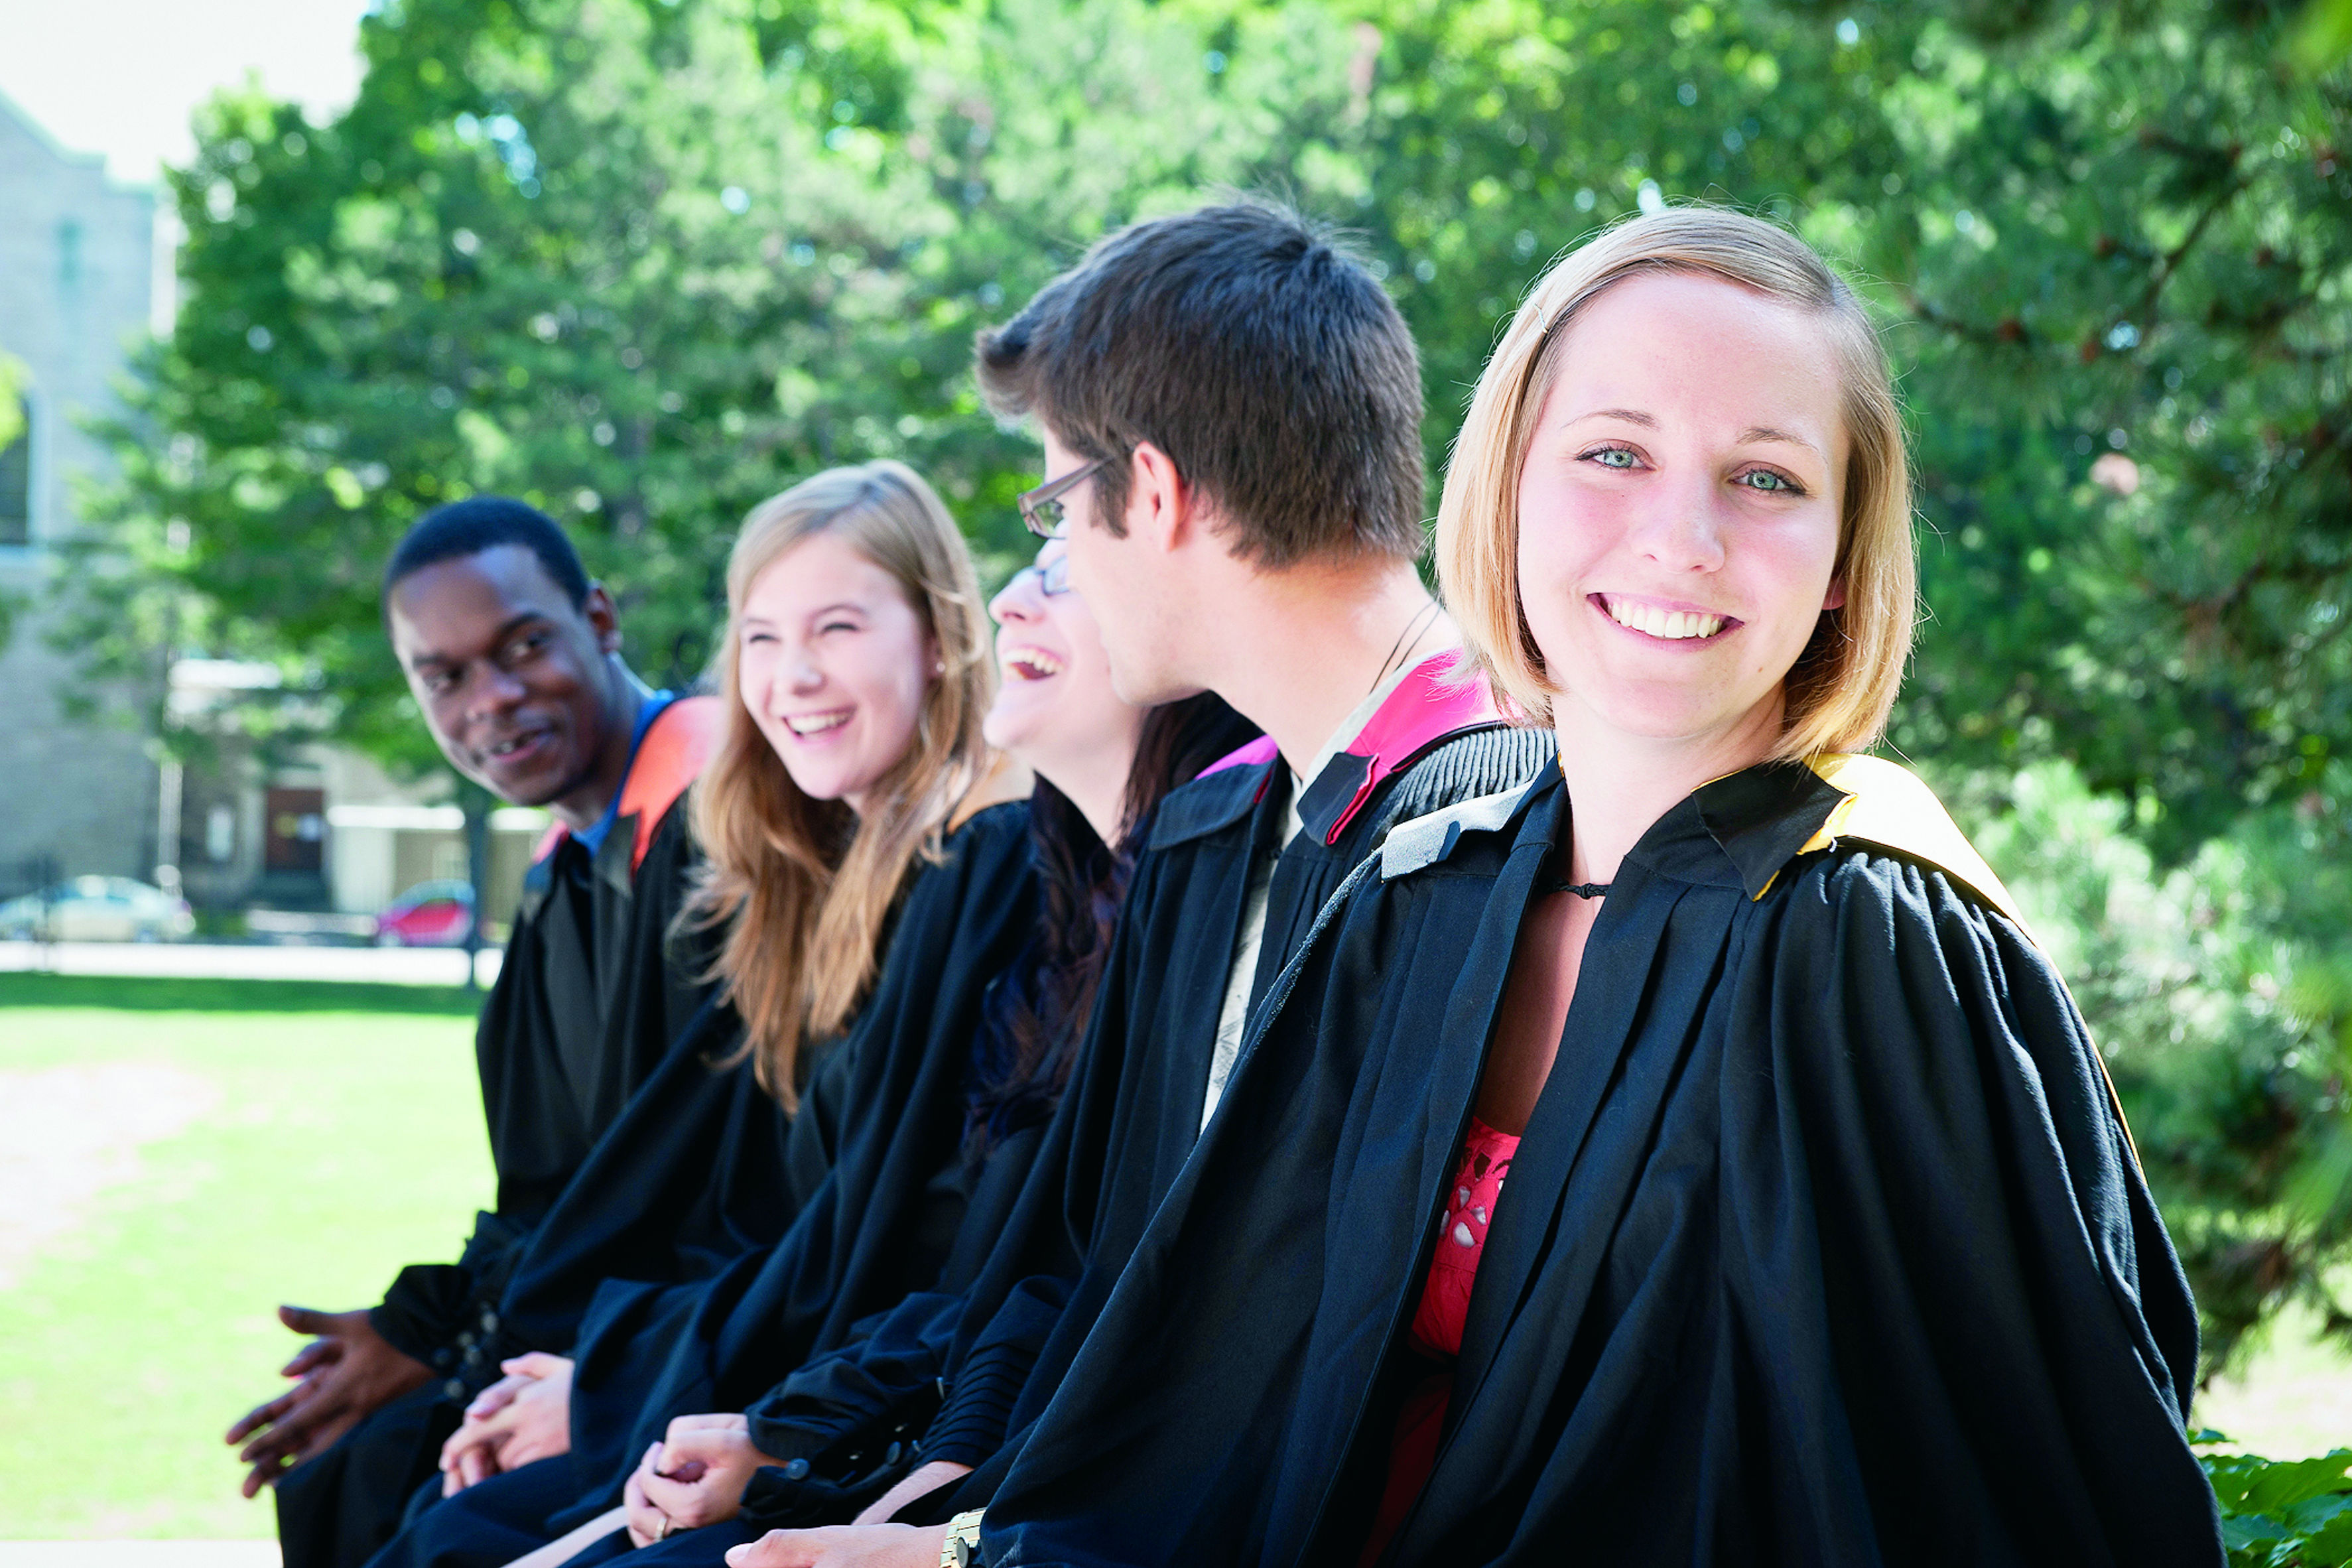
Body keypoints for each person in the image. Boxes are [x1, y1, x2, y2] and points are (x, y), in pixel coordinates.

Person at [965, 207, 2228, 1567]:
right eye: (1614, 454)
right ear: (1504, 484)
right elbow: (1219, 1403)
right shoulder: (1418, 897)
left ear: (1846, 558)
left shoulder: (1869, 942)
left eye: (1767, 479)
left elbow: (1991, 1500)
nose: (1682, 538)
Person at [717, 198, 1553, 1568]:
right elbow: (1085, 1259)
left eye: (1059, 504)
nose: (1047, 567)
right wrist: (937, 1490)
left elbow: (1311, 1377)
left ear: (1152, 494)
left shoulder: (1498, 840)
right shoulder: (1212, 829)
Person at [354, 486, 1246, 1568]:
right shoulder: (796, 886)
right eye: (762, 637)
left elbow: (912, 1251)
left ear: (938, 638)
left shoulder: (987, 873)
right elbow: (741, 1213)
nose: (794, 675)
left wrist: (635, 1390)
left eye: (837, 627)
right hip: (795, 1385)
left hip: (863, 1405)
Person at [228, 497, 778, 1568]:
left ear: (601, 620)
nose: (494, 699)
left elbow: (715, 1191)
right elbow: (556, 1187)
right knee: (352, 1477)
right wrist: (426, 1334)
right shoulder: (562, 870)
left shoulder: (732, 825)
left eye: (524, 646)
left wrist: (569, 1375)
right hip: (593, 1339)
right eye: (446, 676)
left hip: (707, 1359)